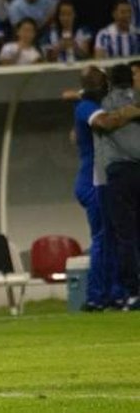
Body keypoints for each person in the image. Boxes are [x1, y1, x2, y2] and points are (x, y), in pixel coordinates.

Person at [71, 66, 136, 310]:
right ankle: (96, 296)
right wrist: (131, 111)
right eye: (103, 82)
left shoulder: (87, 105)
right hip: (93, 180)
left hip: (99, 179)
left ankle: (112, 293)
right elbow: (105, 122)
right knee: (102, 238)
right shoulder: (88, 107)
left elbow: (74, 136)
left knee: (112, 237)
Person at [95, 64, 140, 311]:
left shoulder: (103, 102)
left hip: (120, 173)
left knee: (125, 235)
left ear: (110, 81)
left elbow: (103, 124)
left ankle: (132, 292)